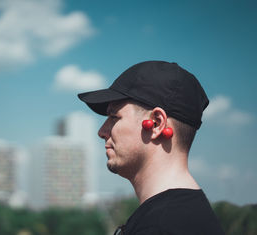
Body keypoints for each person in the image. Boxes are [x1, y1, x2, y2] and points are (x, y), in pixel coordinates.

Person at [78, 61, 224, 235]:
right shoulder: (185, 216)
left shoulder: (162, 227)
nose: (101, 132)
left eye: (114, 117)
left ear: (156, 123)